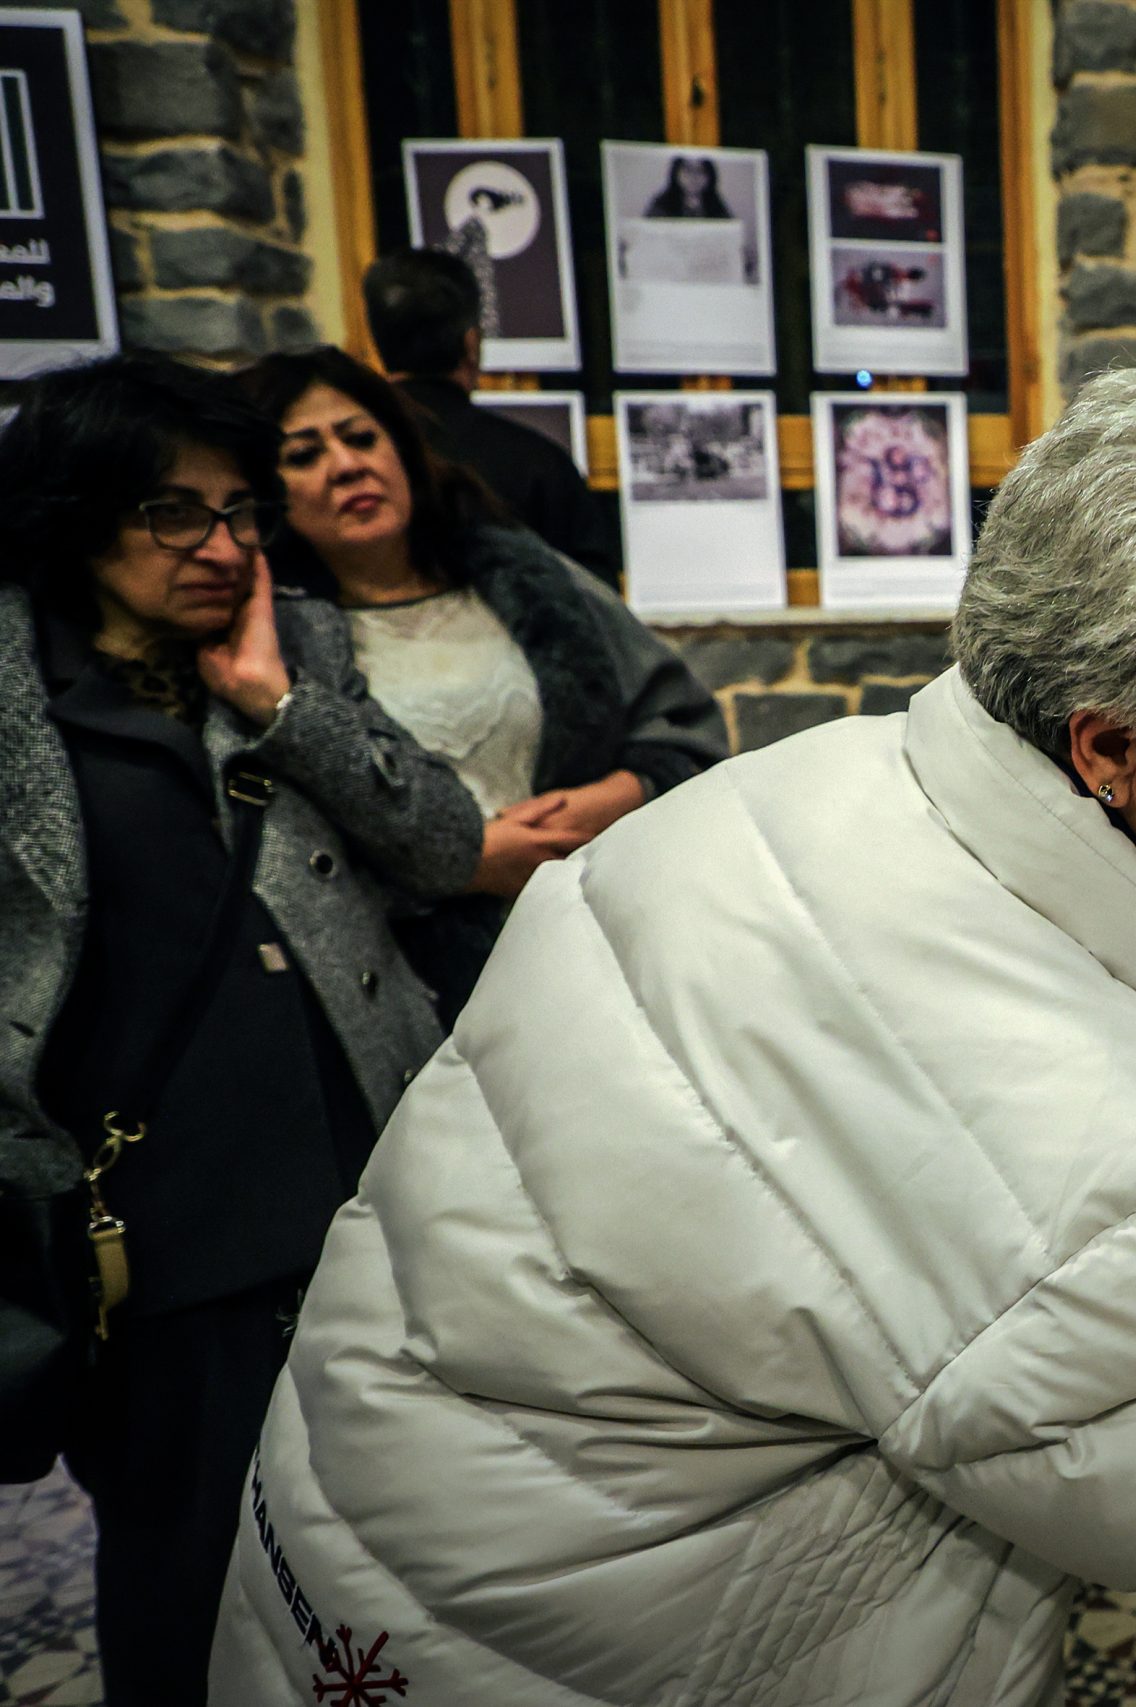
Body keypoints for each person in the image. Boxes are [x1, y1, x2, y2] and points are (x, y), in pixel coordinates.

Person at [209, 367, 1136, 1704]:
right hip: (572, 1647)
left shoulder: (791, 788)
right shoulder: (1092, 1151)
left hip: (371, 1564)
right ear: (1111, 747)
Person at [0, 353, 488, 1706]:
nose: (221, 547)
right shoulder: (20, 702)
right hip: (153, 1252)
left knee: (387, 1564)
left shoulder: (294, 651)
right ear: (76, 514)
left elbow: (443, 842)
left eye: (239, 511)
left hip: (361, 1205)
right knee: (191, 1574)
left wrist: (280, 703)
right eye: (175, 512)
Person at [234, 346, 729, 1023]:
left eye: (361, 437)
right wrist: (463, 859)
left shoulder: (529, 579)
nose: (347, 465)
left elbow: (683, 727)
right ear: (264, 492)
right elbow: (286, 853)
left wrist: (620, 794)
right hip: (415, 994)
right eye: (303, 455)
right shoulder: (275, 645)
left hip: (600, 950)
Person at [361, 247, 621, 585]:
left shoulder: (350, 462)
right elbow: (595, 598)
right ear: (472, 344)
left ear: (377, 344)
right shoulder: (538, 465)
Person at [645, 153, 730, 219]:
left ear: (709, 177)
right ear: (676, 174)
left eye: (700, 170)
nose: (694, 176)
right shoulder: (662, 206)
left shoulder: (718, 209)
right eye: (687, 170)